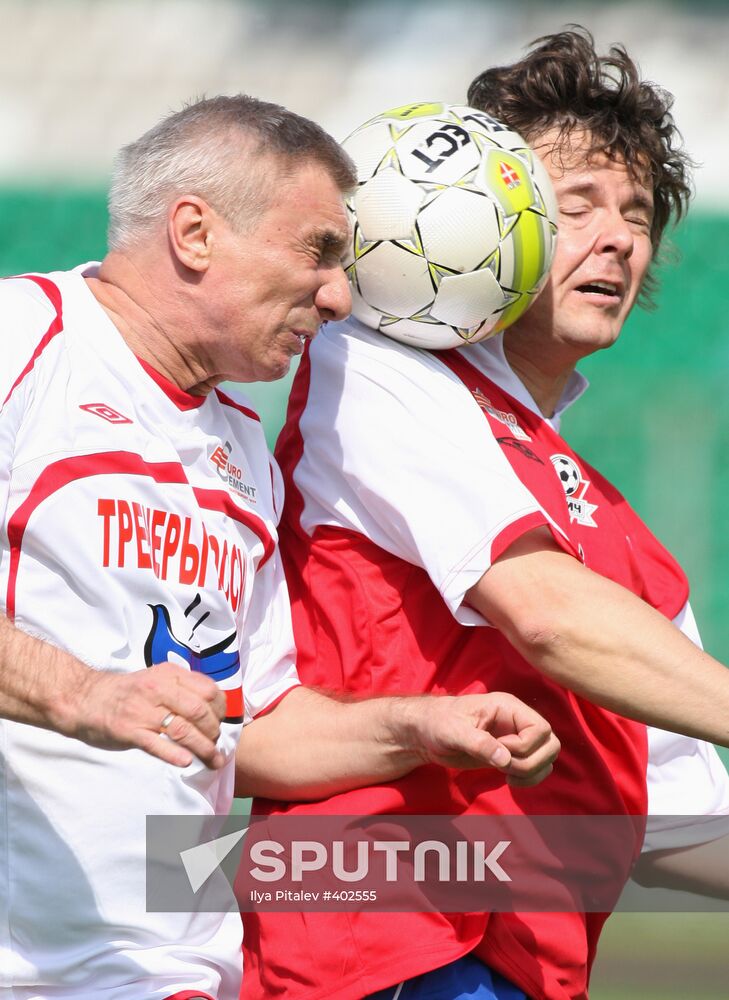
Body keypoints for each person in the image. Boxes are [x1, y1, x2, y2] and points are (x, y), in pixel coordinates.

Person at [0, 95, 562, 1000]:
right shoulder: (26, 338)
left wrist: (415, 727)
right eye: (319, 253)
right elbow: (103, 699)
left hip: (171, 974)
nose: (339, 297)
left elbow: (253, 725)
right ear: (194, 232)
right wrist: (82, 691)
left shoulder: (242, 453)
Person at [241, 30, 729, 1000]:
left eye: (637, 213)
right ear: (489, 224)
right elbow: (544, 613)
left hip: (510, 966)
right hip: (380, 941)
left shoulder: (625, 545)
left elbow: (672, 818)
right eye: (578, 203)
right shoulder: (377, 372)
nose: (621, 238)